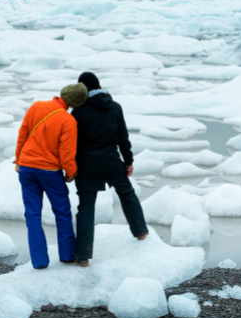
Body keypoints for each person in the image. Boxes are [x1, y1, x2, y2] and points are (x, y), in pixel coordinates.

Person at [72, 72, 148, 267]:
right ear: (99, 85)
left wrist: (71, 167)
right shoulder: (114, 107)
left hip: (87, 167)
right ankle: (140, 231)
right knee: (127, 194)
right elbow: (123, 136)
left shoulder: (78, 112)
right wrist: (128, 160)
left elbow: (71, 144)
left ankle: (83, 256)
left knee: (86, 207)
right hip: (112, 162)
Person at [14, 83, 88, 270]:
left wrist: (18, 161)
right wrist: (71, 173)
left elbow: (22, 134)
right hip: (50, 172)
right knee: (62, 212)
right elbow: (66, 154)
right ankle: (67, 254)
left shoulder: (37, 106)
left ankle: (39, 261)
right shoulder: (68, 121)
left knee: (32, 215)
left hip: (27, 168)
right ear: (77, 103)